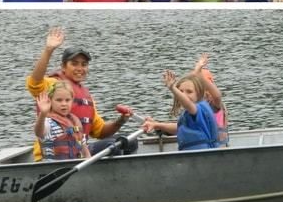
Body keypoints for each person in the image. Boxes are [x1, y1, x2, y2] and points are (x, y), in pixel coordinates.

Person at [26, 27, 133, 161]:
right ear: (64, 67)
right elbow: (34, 82)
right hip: (53, 157)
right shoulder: (52, 84)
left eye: (84, 64)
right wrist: (49, 50)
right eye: (74, 64)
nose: (80, 69)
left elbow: (100, 132)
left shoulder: (87, 96)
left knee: (129, 141)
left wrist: (121, 121)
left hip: (79, 153)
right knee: (111, 145)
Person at [142, 70, 218, 151]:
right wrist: (156, 125)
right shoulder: (189, 112)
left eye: (189, 92)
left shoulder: (198, 108)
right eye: (181, 91)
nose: (183, 95)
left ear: (199, 94)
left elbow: (188, 104)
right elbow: (178, 128)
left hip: (203, 157)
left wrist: (173, 88)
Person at [34, 81, 91, 161]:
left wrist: (89, 160)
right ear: (50, 101)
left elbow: (85, 150)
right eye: (59, 100)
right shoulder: (48, 122)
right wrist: (42, 114)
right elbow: (38, 132)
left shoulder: (75, 122)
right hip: (54, 169)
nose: (64, 104)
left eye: (67, 100)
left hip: (75, 166)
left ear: (72, 100)